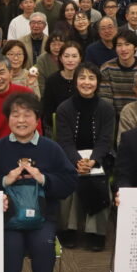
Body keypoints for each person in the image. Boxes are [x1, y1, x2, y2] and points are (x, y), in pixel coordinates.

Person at [0, 92, 77, 272]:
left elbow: (70, 182)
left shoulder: (51, 148)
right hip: (7, 218)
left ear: (37, 119)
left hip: (43, 218)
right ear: (7, 119)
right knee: (10, 248)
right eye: (15, 115)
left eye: (27, 115)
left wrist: (44, 179)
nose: (21, 120)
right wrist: (5, 180)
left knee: (43, 246)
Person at [55, 63, 115, 251]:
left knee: (98, 180)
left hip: (98, 157)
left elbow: (105, 140)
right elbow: (64, 141)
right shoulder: (64, 108)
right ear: (75, 81)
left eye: (91, 78)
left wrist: (93, 160)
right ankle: (68, 229)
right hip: (70, 157)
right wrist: (77, 161)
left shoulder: (107, 108)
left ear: (98, 82)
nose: (86, 82)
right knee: (69, 180)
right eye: (82, 78)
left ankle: (96, 232)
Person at [99, 31, 137, 121]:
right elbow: (106, 99)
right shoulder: (106, 68)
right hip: (114, 118)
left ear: (135, 47)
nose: (123, 49)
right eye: (119, 45)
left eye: (127, 44)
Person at [41, 40, 82, 133]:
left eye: (74, 56)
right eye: (66, 56)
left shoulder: (85, 80)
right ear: (60, 58)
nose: (70, 60)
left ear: (80, 58)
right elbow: (48, 111)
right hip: (56, 127)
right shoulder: (52, 80)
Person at [34, 30, 66, 95]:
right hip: (47, 94)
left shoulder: (69, 57)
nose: (56, 47)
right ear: (48, 45)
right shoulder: (42, 59)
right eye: (53, 44)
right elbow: (40, 83)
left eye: (60, 44)